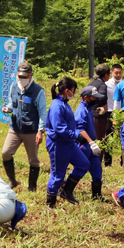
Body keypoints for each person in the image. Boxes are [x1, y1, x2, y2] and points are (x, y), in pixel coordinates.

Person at [45, 76, 90, 208]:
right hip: (58, 145)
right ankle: (50, 203)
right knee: (58, 174)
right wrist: (76, 136)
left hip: (70, 144)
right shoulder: (56, 106)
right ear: (66, 91)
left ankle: (67, 191)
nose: (74, 93)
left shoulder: (65, 104)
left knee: (83, 164)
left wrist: (75, 136)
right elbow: (59, 129)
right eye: (73, 90)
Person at [0, 62, 46, 191]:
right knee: (6, 153)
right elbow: (11, 102)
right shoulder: (14, 87)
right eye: (20, 76)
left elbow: (42, 112)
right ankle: (12, 180)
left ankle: (32, 186)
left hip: (31, 130)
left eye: (25, 76)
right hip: (15, 128)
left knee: (33, 160)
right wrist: (7, 108)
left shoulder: (38, 91)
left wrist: (40, 131)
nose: (22, 79)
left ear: (31, 75)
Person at [74, 85, 105, 200]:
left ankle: (97, 196)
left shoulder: (88, 108)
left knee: (97, 169)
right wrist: (91, 142)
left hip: (91, 145)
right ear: (86, 97)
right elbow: (80, 129)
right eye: (93, 97)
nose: (95, 100)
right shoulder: (81, 110)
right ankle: (65, 188)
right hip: (85, 145)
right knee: (80, 168)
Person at [89, 64, 114, 166]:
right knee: (100, 140)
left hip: (91, 114)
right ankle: (97, 163)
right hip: (99, 116)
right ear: (106, 75)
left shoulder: (92, 83)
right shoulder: (102, 85)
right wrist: (104, 107)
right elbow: (102, 97)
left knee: (93, 139)